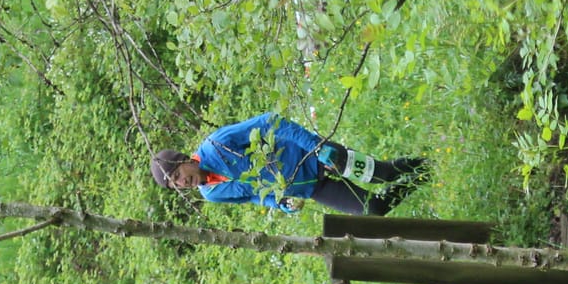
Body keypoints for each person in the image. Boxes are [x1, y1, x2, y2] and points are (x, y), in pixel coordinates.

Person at [150, 113, 426, 216]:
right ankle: (424, 177)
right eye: (175, 185)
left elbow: (270, 121)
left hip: (316, 157)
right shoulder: (211, 194)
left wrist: (317, 147)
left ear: (184, 160)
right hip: (310, 188)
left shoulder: (217, 144)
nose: (182, 183)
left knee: (383, 174)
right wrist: (276, 203)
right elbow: (252, 198)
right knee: (373, 209)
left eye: (177, 174)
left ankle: (426, 163)